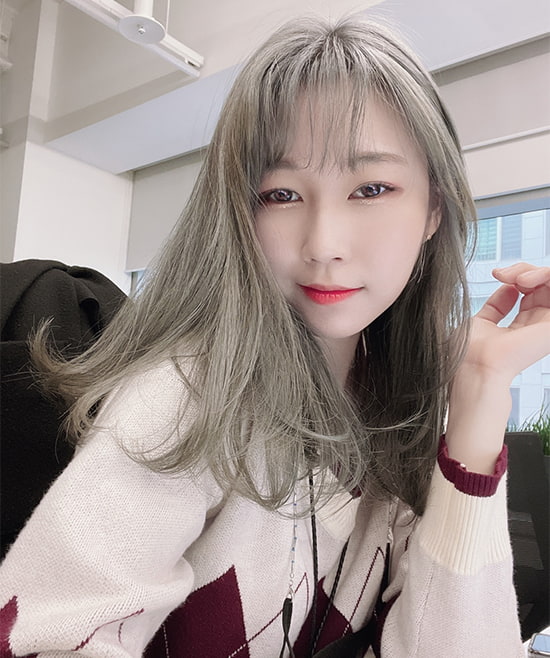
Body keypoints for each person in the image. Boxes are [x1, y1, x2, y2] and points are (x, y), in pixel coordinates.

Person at [0, 16, 548, 658]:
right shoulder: (188, 394)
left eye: (371, 188)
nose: (323, 244)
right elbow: (46, 638)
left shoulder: (403, 415)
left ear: (434, 210)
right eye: (281, 194)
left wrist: (480, 393)